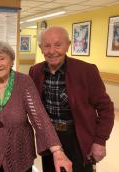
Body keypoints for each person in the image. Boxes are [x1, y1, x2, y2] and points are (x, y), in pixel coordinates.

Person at [0, 41, 72, 172]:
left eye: (2, 59)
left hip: (20, 154)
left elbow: (39, 118)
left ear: (11, 61)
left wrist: (57, 151)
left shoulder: (24, 81)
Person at [29, 26, 114, 172]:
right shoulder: (35, 71)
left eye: (58, 45)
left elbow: (106, 108)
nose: (52, 51)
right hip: (50, 138)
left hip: (78, 138)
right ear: (40, 48)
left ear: (68, 45)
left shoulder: (86, 71)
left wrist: (100, 141)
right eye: (47, 46)